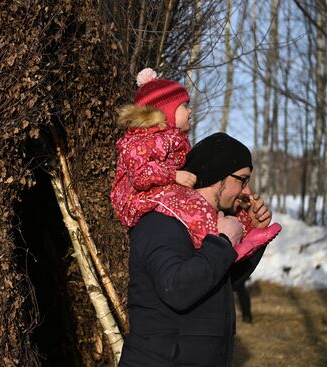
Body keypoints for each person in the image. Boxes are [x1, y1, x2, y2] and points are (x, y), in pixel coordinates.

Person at [118, 132, 277, 366]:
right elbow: (177, 288)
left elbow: (221, 284)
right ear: (218, 174)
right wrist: (223, 241)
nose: (246, 191)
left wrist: (253, 235)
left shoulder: (203, 223)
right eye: (242, 179)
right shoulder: (163, 221)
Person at [111, 68, 280, 256]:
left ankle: (243, 234)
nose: (190, 110)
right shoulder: (145, 140)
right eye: (184, 105)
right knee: (195, 207)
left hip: (158, 191)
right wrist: (174, 175)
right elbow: (139, 175)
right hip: (137, 198)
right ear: (166, 111)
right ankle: (226, 244)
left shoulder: (172, 139)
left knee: (200, 205)